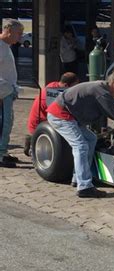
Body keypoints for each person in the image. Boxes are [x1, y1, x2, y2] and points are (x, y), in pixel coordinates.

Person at [46, 71, 114, 198]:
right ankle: (84, 187)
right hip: (61, 115)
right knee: (80, 145)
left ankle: (78, 177)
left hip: (71, 116)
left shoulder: (103, 88)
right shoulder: (102, 93)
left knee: (91, 138)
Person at [24, 72, 79, 156]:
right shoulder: (53, 94)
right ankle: (32, 143)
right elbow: (57, 114)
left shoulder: (54, 85)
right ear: (66, 85)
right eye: (74, 86)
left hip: (43, 121)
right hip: (40, 124)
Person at [0, 19, 23, 168]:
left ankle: (3, 152)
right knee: (4, 122)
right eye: (18, 34)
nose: (20, 37)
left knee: (7, 122)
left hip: (7, 91)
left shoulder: (6, 46)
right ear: (8, 30)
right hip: (3, 92)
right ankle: (1, 155)